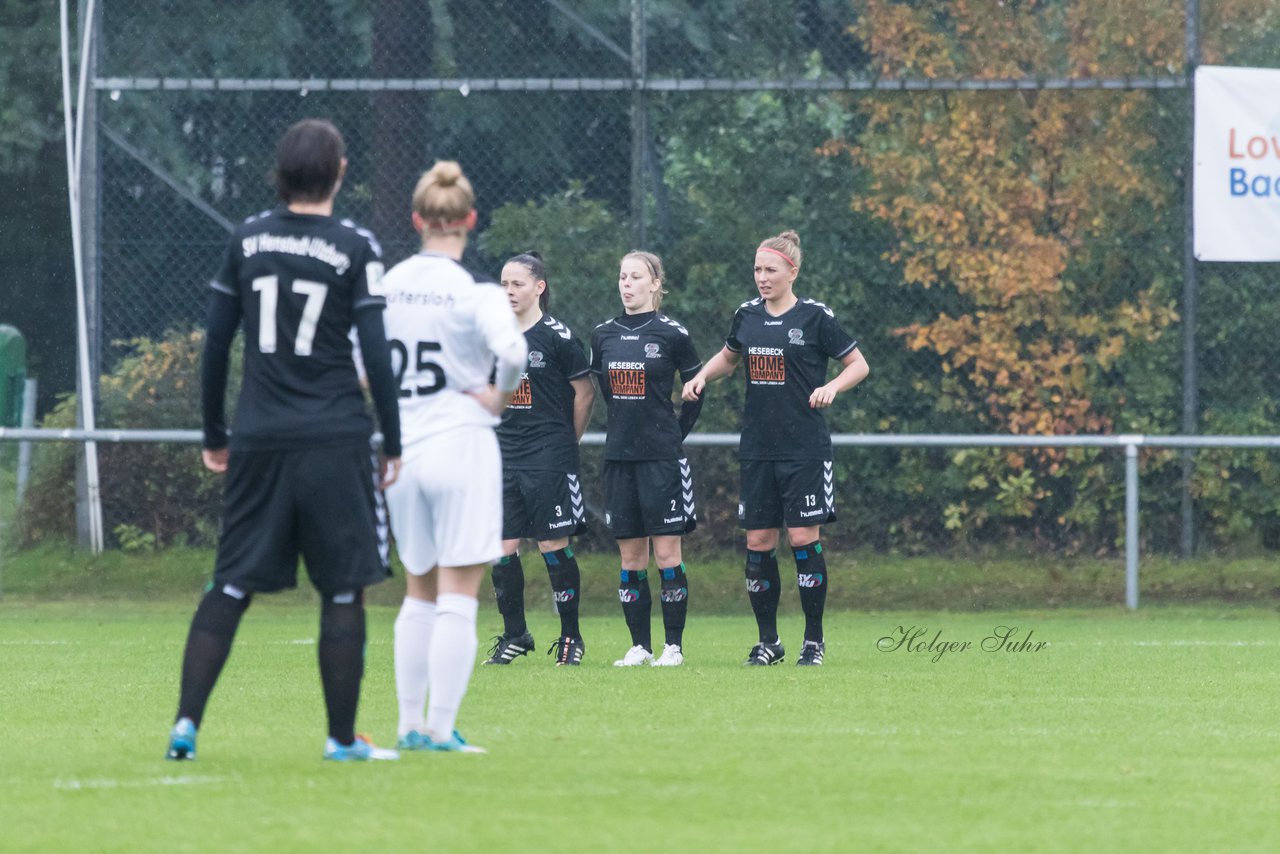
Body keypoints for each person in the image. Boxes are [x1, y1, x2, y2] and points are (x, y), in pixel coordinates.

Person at [167, 118, 403, 762]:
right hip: (334, 438)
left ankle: (186, 724)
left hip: (259, 437)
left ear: (280, 171)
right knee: (344, 588)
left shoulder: (245, 239)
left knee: (232, 581)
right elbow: (376, 354)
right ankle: (341, 739)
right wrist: (393, 441)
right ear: (340, 172)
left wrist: (216, 431)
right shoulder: (355, 245)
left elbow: (216, 345)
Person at [381, 160, 527, 752]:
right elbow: (512, 351)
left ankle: (406, 725)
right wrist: (497, 397)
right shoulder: (477, 293)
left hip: (401, 453)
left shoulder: (387, 284)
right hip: (461, 444)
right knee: (458, 594)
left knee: (418, 592)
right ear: (469, 219)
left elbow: (360, 363)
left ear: (418, 219)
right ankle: (440, 728)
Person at [682, 230, 868, 667]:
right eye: (757, 270)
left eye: (770, 270)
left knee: (803, 538)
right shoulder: (746, 315)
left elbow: (858, 364)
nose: (762, 278)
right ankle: (769, 641)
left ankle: (813, 642)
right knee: (759, 541)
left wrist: (832, 387)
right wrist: (702, 377)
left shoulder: (815, 318)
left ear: (792, 272)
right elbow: (729, 357)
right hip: (758, 448)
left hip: (804, 448)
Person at [590, 251, 703, 667]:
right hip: (620, 458)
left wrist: (673, 435)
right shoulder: (603, 334)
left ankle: (672, 647)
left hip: (662, 461)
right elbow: (606, 393)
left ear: (655, 283)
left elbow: (695, 390)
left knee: (667, 554)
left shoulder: (672, 333)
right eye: (622, 276)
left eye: (635, 276)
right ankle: (640, 645)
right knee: (630, 557)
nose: (627, 283)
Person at [485, 252, 595, 667]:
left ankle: (571, 638)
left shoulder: (558, 338)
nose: (509, 291)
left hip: (549, 454)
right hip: (504, 455)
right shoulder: (494, 336)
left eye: (517, 284)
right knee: (502, 546)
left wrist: (568, 441)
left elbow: (584, 393)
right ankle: (516, 634)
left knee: (552, 542)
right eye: (504, 284)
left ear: (538, 288)